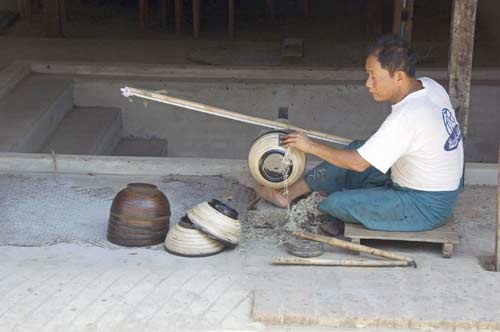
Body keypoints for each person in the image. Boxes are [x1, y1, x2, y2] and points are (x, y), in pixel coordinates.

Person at [256, 35, 464, 233]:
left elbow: (358, 164)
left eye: (374, 76)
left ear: (399, 76)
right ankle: (287, 194)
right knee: (358, 148)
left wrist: (310, 146)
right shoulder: (430, 86)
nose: (368, 83)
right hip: (442, 183)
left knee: (337, 203)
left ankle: (340, 197)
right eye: (367, 75)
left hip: (426, 204)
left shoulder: (408, 115)